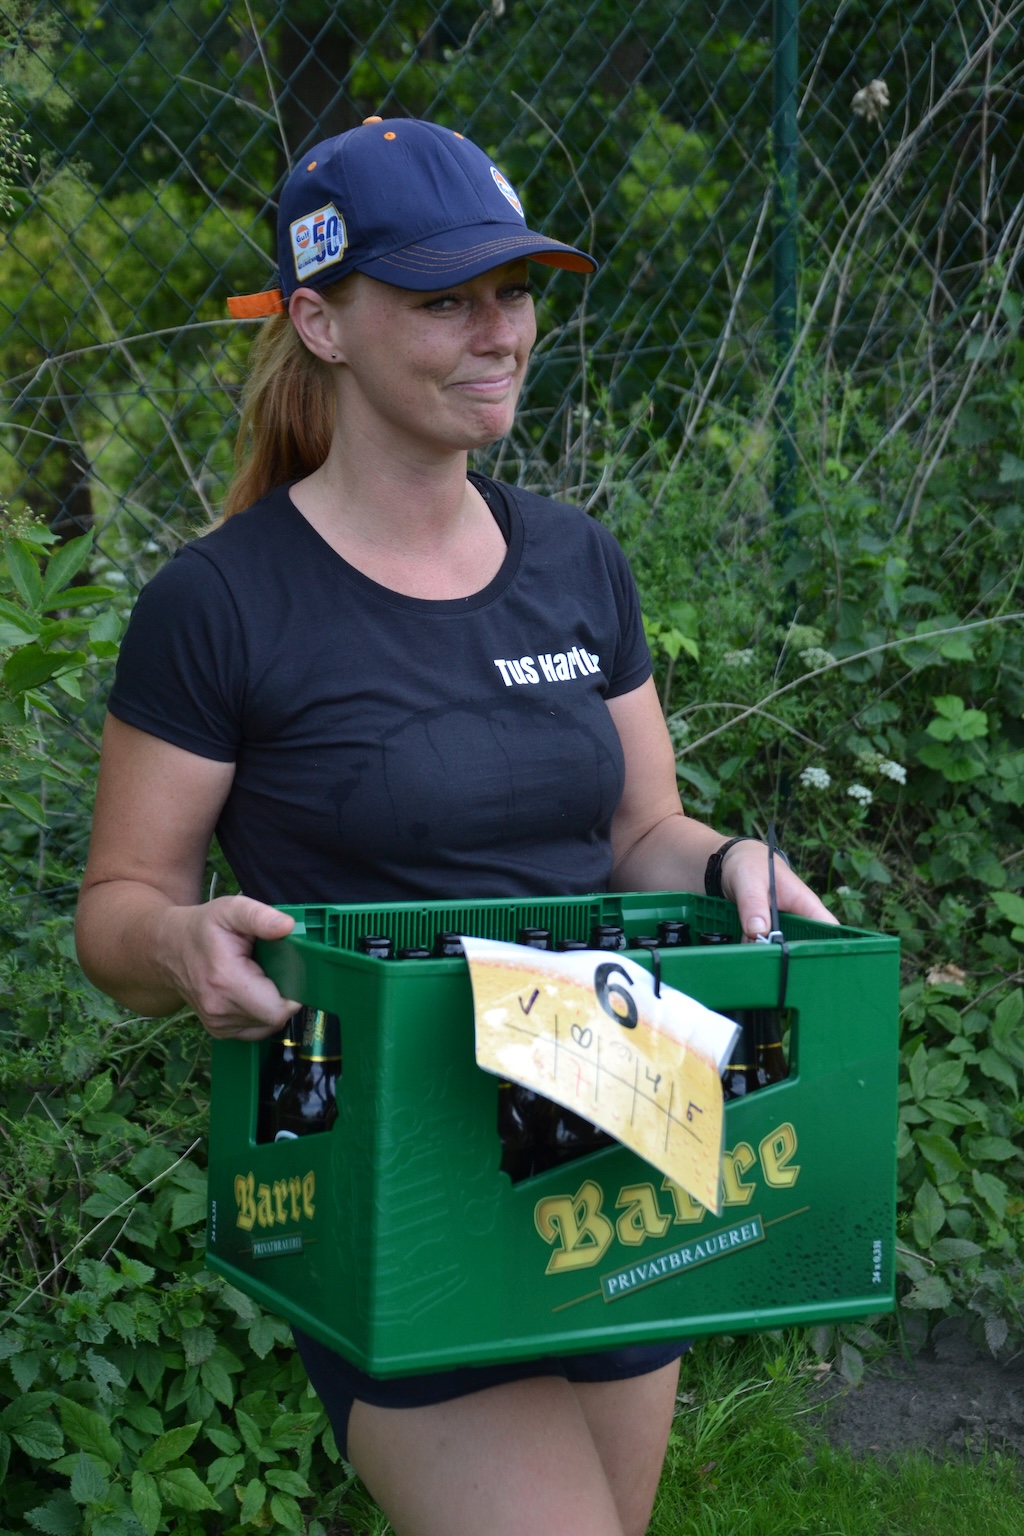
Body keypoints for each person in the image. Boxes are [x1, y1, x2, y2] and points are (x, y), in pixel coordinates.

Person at [75, 116, 837, 1536]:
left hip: (616, 1105)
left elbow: (642, 831)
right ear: (322, 322)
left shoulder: (577, 561)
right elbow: (118, 905)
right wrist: (180, 945)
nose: (500, 333)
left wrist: (730, 859)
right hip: (393, 1156)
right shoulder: (220, 603)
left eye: (516, 291)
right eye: (445, 301)